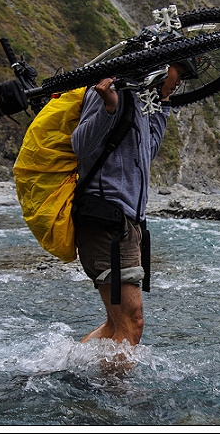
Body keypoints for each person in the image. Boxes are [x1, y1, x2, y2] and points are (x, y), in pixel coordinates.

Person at [71, 62, 188, 347]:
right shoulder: (113, 92)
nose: (179, 83)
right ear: (158, 66)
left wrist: (163, 105)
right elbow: (79, 146)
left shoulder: (142, 101)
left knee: (117, 323)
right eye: (177, 75)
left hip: (124, 223)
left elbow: (149, 151)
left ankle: (66, 366)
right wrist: (108, 109)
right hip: (106, 219)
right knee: (132, 324)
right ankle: (117, 392)